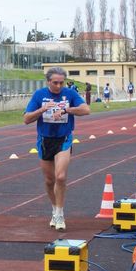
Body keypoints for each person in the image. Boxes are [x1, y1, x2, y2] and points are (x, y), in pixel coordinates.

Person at [23, 67, 90, 231]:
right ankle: (54, 209)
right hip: (45, 140)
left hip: (64, 139)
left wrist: (67, 109)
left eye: (61, 82)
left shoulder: (70, 94)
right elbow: (26, 119)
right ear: (48, 82)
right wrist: (42, 110)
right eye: (55, 83)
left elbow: (86, 110)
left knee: (60, 177)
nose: (58, 86)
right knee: (49, 180)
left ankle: (60, 213)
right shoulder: (39, 95)